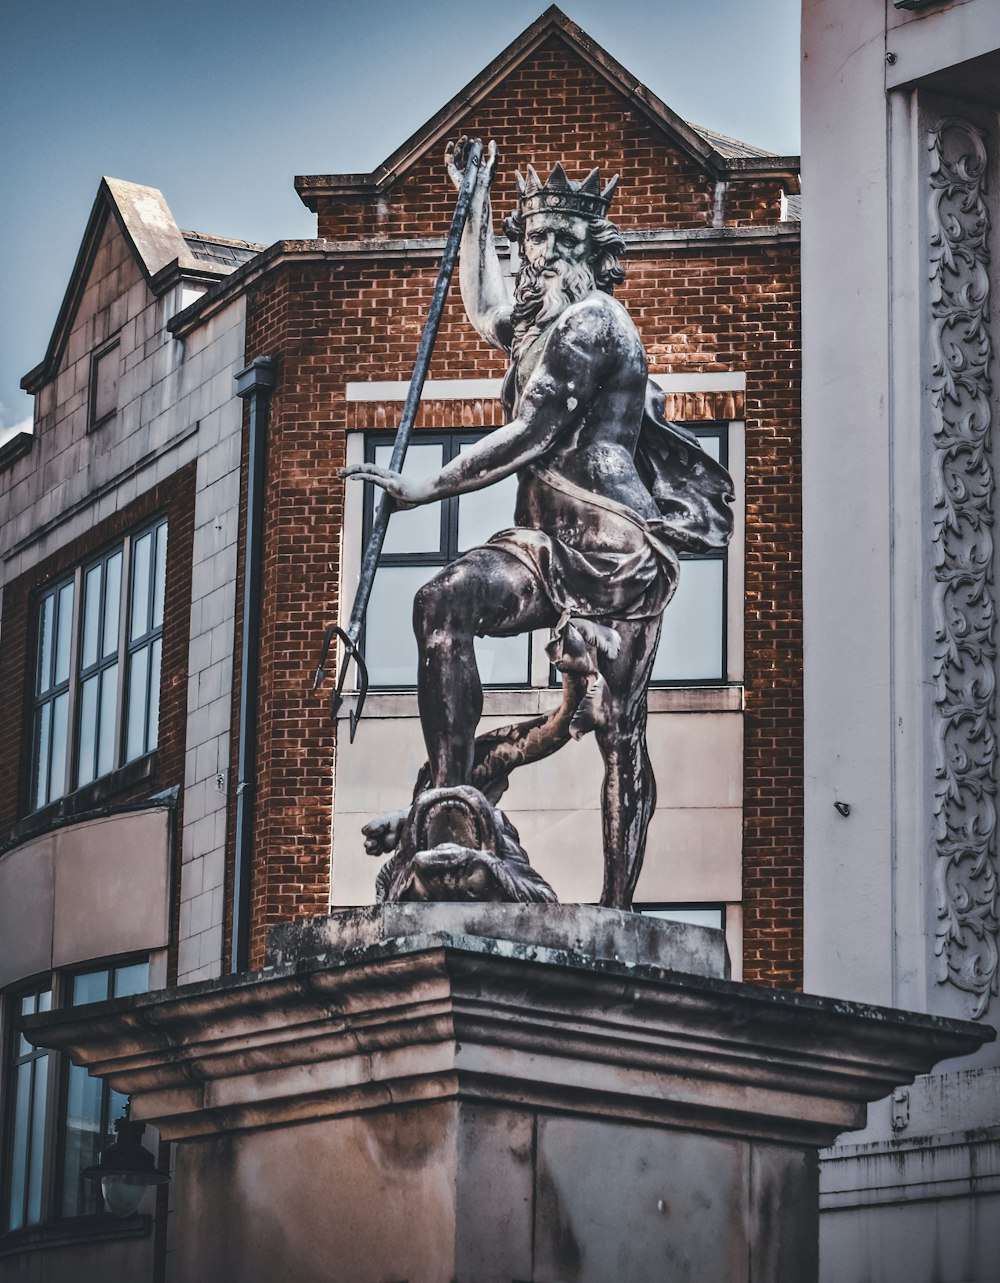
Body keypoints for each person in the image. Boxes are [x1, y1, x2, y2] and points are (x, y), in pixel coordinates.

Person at [341, 139, 733, 907]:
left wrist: (426, 485)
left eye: (552, 246)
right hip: (541, 541)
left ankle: (619, 907)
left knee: (618, 731)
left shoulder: (597, 323)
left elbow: (535, 431)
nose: (535, 260)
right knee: (440, 602)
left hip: (615, 548)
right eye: (529, 246)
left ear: (588, 255)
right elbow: (485, 305)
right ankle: (453, 807)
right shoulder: (534, 325)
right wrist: (475, 203)